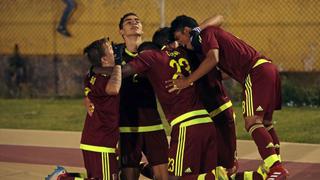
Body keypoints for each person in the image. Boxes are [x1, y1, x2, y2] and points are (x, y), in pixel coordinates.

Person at [94, 27, 229, 180]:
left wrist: (95, 69)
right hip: (207, 122)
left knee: (173, 177)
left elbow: (123, 72)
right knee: (200, 172)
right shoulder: (184, 53)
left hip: (186, 125)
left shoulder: (151, 56)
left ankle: (213, 177)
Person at [167, 15, 288, 180]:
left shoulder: (204, 34)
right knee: (265, 123)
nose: (180, 43)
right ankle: (275, 165)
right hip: (267, 69)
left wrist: (187, 81)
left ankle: (275, 167)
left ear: (187, 30)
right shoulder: (211, 36)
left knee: (252, 122)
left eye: (178, 38)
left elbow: (213, 57)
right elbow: (221, 71)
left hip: (255, 72)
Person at [86, 12, 169, 180]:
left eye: (137, 21)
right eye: (128, 22)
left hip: (152, 121)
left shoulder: (151, 51)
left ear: (142, 29)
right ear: (121, 31)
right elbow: (95, 68)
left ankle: (145, 168)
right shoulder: (115, 55)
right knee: (129, 176)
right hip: (126, 125)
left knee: (164, 176)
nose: (134, 23)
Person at [46, 37, 122, 180]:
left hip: (96, 139)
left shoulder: (92, 75)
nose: (115, 50)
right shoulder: (102, 79)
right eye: (111, 49)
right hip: (101, 142)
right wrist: (118, 64)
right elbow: (114, 88)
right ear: (104, 60)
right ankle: (62, 178)